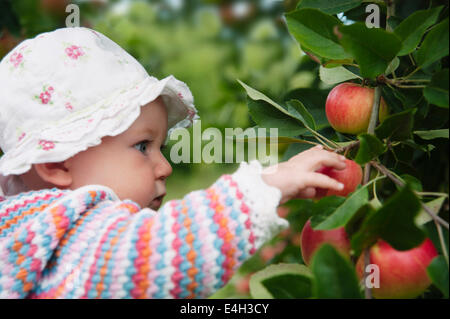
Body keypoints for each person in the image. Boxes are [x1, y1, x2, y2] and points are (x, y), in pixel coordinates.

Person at [0, 27, 346, 299]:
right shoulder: (70, 229)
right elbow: (158, 254)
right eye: (141, 146)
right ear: (58, 163)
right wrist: (265, 188)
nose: (164, 167)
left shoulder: (25, 234)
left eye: (160, 146)